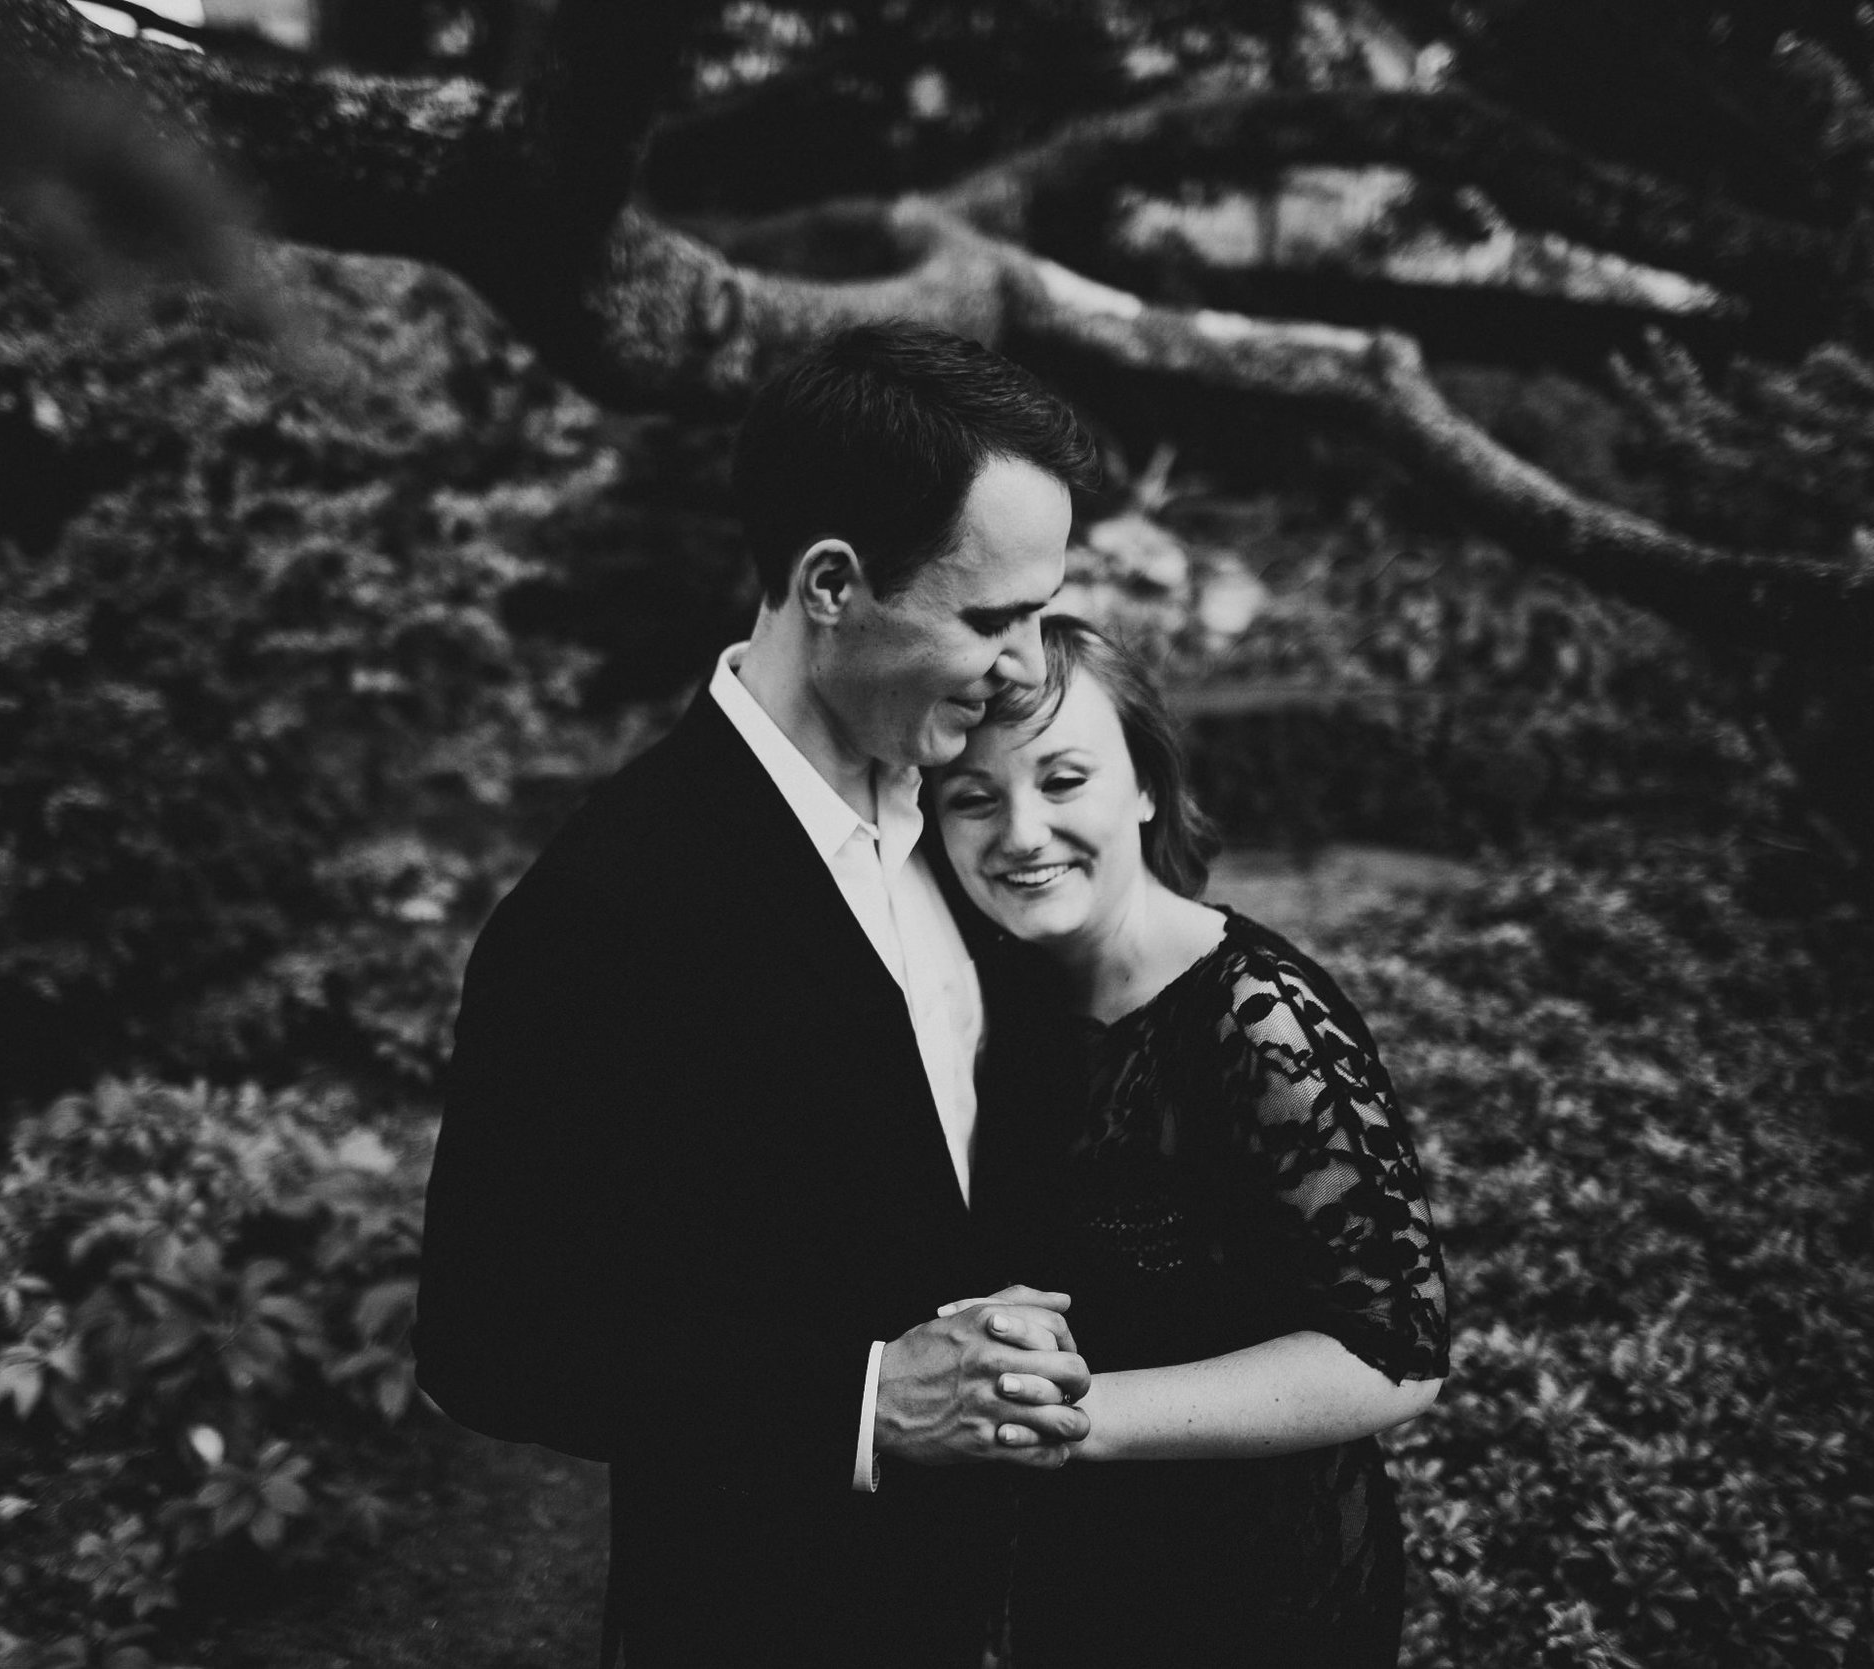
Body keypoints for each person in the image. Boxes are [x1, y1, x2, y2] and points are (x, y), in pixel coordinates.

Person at [415, 323, 1109, 1668]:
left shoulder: (979, 824)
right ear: (834, 583)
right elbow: (488, 1336)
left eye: (1041, 612)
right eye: (991, 618)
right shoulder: (607, 910)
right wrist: (858, 1398)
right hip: (766, 1616)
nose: (1029, 667)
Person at [928, 613, 1452, 1667]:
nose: (1022, 830)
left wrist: (1084, 1418)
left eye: (1064, 778)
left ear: (1145, 787)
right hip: (1086, 1567)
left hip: (1260, 1587)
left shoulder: (1257, 1017)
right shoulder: (1001, 999)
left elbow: (1392, 1354)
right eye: (973, 797)